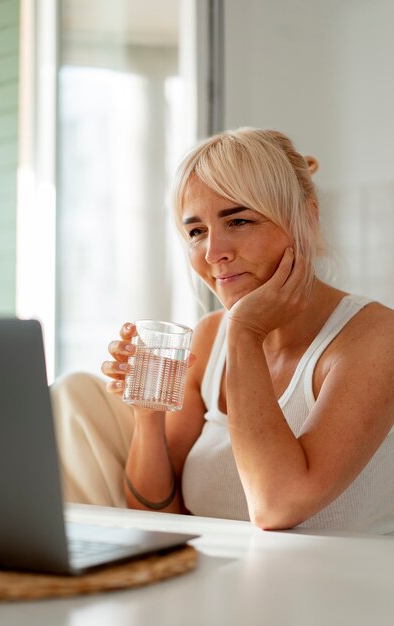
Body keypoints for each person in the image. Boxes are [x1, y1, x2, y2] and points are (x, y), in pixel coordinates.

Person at [51, 127, 394, 532]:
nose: (214, 253)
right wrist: (148, 419)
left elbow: (276, 506)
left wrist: (245, 331)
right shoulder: (210, 336)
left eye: (239, 221)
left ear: (306, 217)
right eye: (196, 231)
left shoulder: (375, 336)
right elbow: (156, 516)